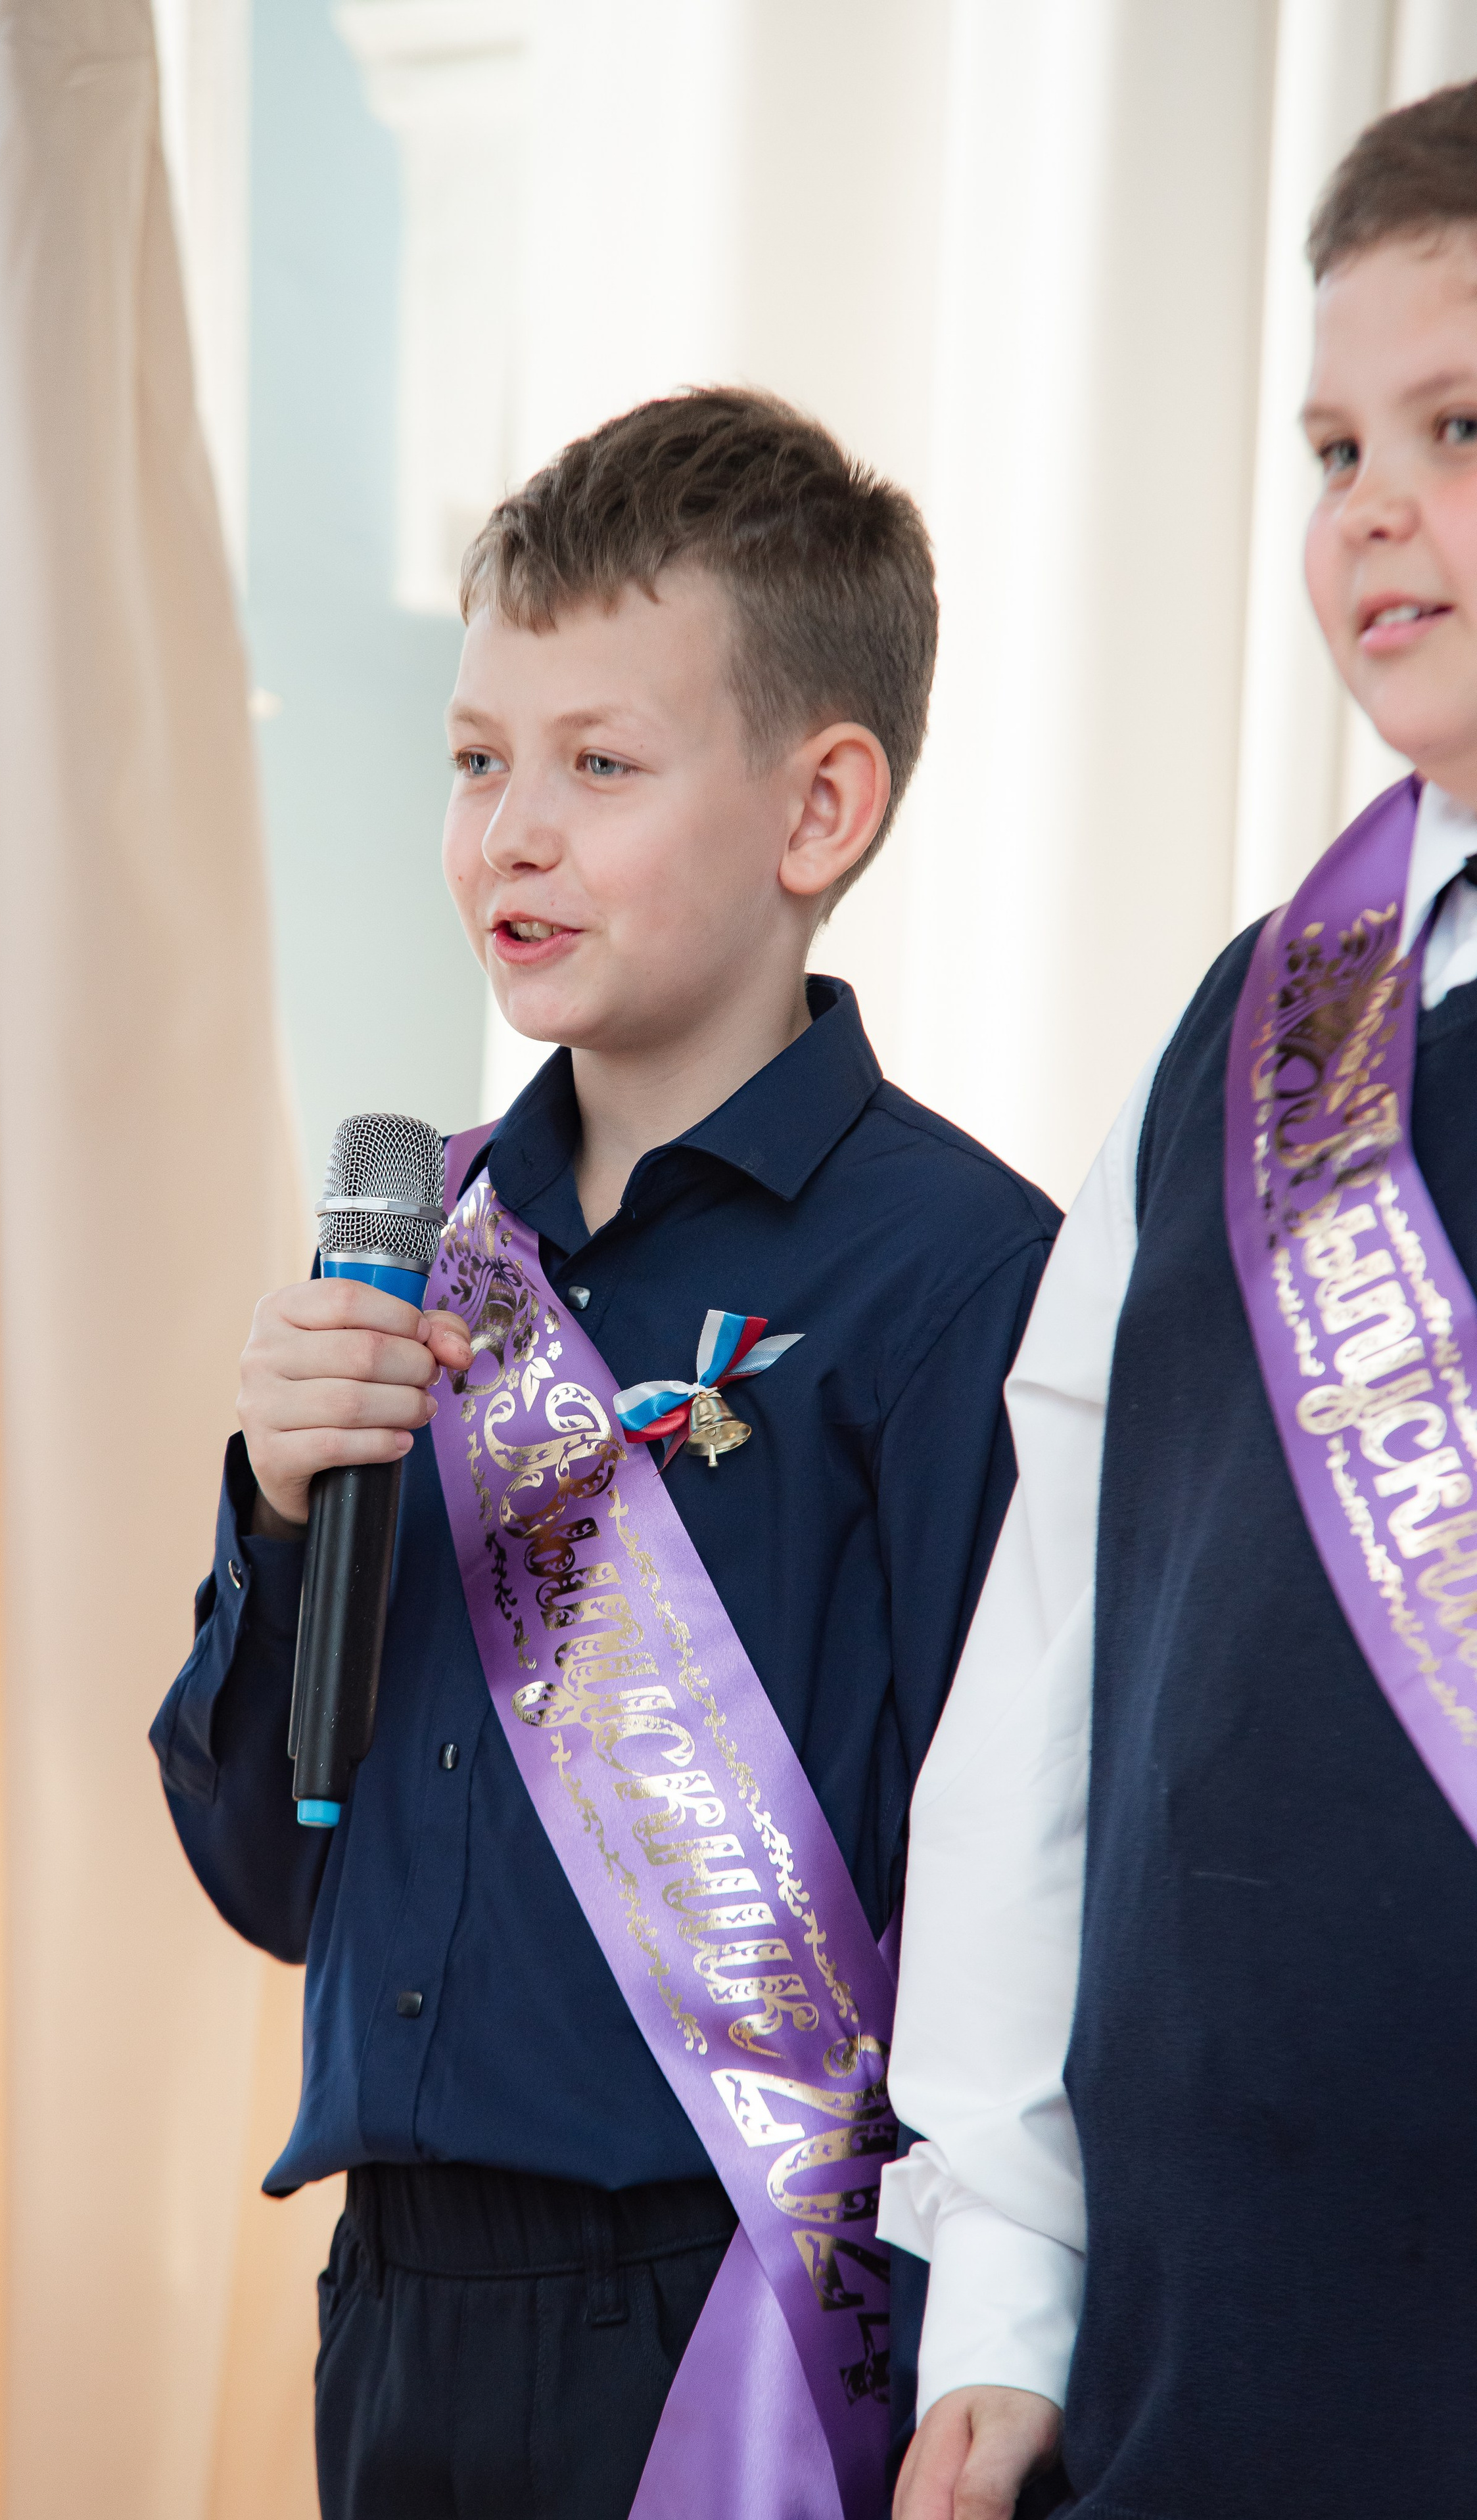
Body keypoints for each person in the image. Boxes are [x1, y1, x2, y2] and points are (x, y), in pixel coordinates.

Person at [150, 388, 1058, 2519]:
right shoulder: (422, 1252)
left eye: (600, 765)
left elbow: (1021, 1883)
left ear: (820, 806)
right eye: (476, 759)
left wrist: (990, 2335)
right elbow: (272, 1867)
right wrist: (274, 1506)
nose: (510, 834)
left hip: (746, 2310)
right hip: (399, 2303)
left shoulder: (961, 1278)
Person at [879, 80, 1477, 2520]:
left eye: (1459, 427)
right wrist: (1008, 2273)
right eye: (1335, 448)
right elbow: (1053, 1662)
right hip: (1204, 2331)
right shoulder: (1250, 1032)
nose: (1375, 507)